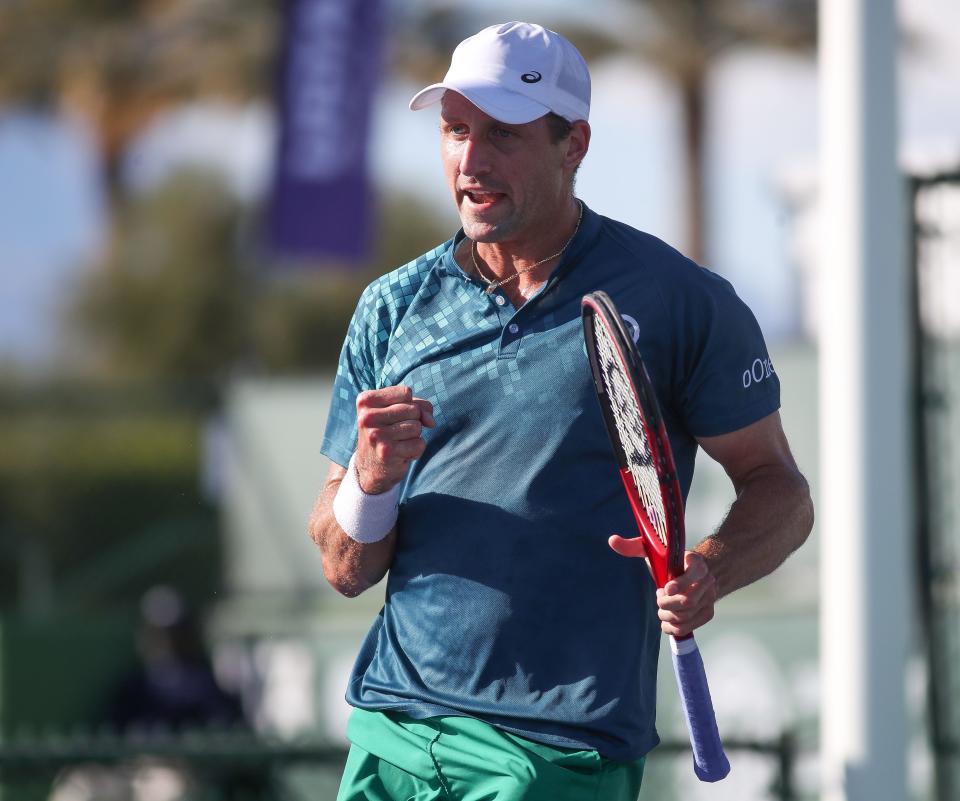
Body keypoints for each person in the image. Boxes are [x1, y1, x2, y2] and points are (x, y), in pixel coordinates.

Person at [308, 21, 813, 801]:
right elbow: (345, 567)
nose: (469, 161)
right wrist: (370, 482)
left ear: (572, 144)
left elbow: (780, 490)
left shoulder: (681, 302)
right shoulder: (391, 307)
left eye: (501, 135)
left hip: (555, 754)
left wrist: (708, 569)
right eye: (454, 130)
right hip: (393, 733)